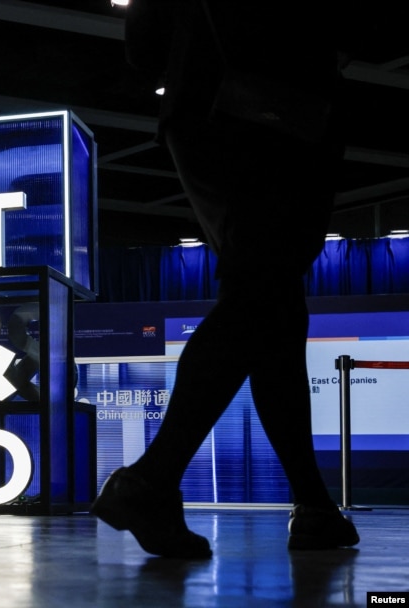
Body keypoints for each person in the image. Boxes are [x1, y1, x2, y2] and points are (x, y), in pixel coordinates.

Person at [90, 0, 359, 557]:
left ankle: (313, 506)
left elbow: (143, 43)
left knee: (272, 304)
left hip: (202, 106)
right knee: (264, 293)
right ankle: (151, 479)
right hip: (280, 109)